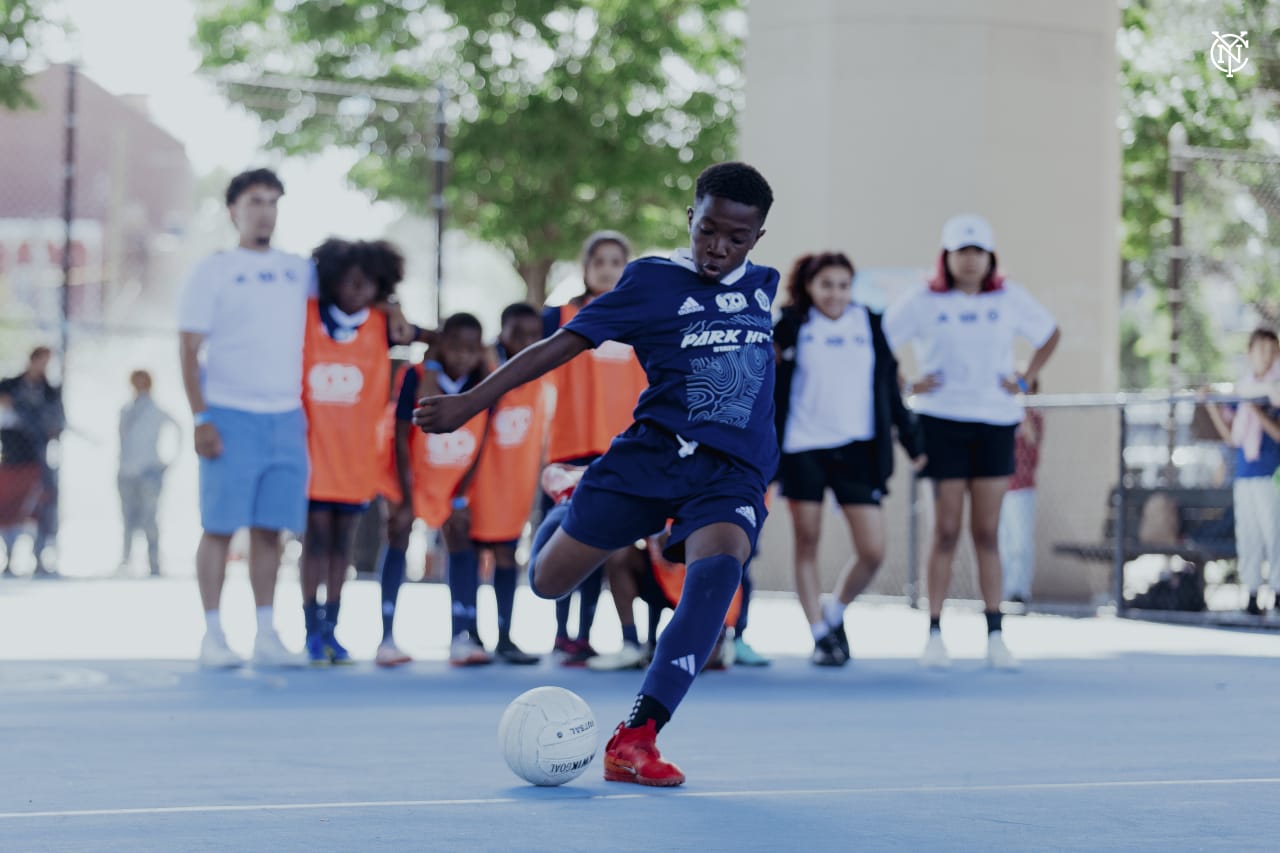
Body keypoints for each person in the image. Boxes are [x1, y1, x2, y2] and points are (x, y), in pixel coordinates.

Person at [416, 161, 777, 786]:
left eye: (736, 238)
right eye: (709, 230)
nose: (720, 247)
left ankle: (636, 737)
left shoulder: (766, 288)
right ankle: (572, 497)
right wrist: (473, 402)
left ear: (758, 237)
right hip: (649, 459)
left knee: (720, 569)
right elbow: (562, 345)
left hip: (730, 473)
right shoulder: (651, 282)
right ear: (691, 218)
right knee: (548, 582)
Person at [884, 214, 1059, 671]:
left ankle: (996, 633)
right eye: (961, 251)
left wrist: (1024, 378)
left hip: (995, 423)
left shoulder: (1009, 297)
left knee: (987, 531)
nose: (970, 260)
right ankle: (935, 632)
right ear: (946, 256)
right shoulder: (924, 299)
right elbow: (881, 339)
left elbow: (1049, 333)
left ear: (989, 257)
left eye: (977, 251)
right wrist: (908, 384)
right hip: (940, 422)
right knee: (944, 530)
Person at [773, 252, 925, 666]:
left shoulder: (870, 324)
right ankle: (818, 633)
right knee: (807, 540)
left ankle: (835, 611)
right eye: (826, 285)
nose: (835, 294)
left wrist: (913, 443)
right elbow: (768, 389)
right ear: (809, 287)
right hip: (802, 447)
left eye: (843, 285)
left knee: (873, 550)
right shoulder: (790, 326)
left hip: (858, 451)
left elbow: (891, 390)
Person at [540, 230, 649, 666]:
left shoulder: (640, 321)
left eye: (616, 261)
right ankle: (564, 635)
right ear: (584, 268)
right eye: (599, 261)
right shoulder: (558, 317)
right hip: (569, 454)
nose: (607, 269)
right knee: (565, 545)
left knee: (607, 549)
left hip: (619, 454)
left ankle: (594, 634)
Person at [300, 237, 407, 664]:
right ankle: (311, 629)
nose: (356, 291)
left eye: (367, 285)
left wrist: (392, 305)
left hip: (357, 457)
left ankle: (333, 627)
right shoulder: (308, 317)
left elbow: (415, 334)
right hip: (313, 453)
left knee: (342, 545)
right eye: (348, 282)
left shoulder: (382, 325)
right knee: (315, 541)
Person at [378, 313, 492, 666]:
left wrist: (461, 493)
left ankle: (462, 635)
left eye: (471, 349)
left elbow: (483, 439)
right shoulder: (415, 376)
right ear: (440, 346)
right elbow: (400, 436)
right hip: (414, 476)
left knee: (460, 539)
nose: (462, 356)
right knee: (398, 535)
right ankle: (387, 638)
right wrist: (407, 497)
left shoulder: (483, 379)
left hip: (454, 480)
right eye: (455, 347)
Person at [466, 303, 548, 665]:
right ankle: (467, 633)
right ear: (502, 334)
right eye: (519, 334)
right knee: (469, 552)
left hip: (516, 481)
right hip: (479, 479)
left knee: (505, 555)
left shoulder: (542, 367)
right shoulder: (484, 367)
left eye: (535, 335)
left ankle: (504, 635)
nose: (528, 342)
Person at [589, 524, 742, 672]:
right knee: (619, 553)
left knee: (687, 664)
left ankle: (719, 638)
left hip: (702, 591)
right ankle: (631, 645)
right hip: (660, 580)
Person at [1204, 328, 1280, 615]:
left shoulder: (1274, 391)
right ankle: (1251, 594)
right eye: (1261, 349)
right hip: (1245, 475)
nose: (1267, 356)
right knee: (1248, 534)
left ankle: (1277, 592)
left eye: (1272, 350)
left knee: (1274, 534)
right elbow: (1232, 437)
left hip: (1272, 474)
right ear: (1250, 353)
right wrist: (1212, 405)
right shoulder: (1245, 388)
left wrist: (1258, 411)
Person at [0, 346, 64, 578]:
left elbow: (56, 423)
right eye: (41, 361)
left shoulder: (49, 391)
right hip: (9, 457)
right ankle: (8, 556)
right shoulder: (9, 385)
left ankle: (39, 556)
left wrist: (48, 427)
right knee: (7, 509)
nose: (44, 367)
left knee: (39, 507)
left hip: (36, 459)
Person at [117, 370, 179, 577]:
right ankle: (127, 561)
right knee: (128, 518)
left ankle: (154, 562)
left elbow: (179, 430)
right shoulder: (126, 410)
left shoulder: (155, 411)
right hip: (126, 472)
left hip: (149, 471)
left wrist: (169, 462)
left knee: (149, 519)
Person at [999, 379, 1044, 605]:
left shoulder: (1033, 415)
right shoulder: (1005, 414)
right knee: (1003, 541)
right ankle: (1003, 590)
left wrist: (1022, 404)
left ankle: (1020, 591)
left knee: (1020, 542)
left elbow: (1032, 438)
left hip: (1022, 487)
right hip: (1002, 486)